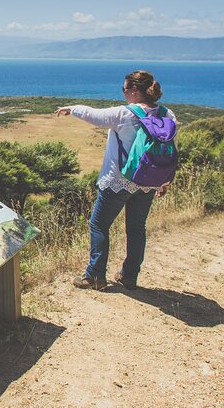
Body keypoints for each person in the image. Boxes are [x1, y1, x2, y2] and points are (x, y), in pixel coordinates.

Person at [55, 70, 176, 291]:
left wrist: (71, 109)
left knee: (99, 225)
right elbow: (169, 150)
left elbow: (93, 115)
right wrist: (164, 182)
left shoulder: (125, 114)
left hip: (119, 181)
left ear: (134, 90)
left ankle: (95, 276)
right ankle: (130, 277)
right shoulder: (168, 115)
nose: (123, 93)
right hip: (149, 181)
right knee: (137, 228)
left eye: (124, 89)